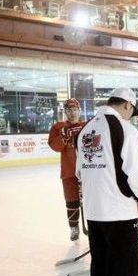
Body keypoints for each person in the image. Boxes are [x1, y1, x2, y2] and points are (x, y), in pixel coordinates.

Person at [75, 88, 138, 276]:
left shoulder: (86, 130)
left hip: (94, 211)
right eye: (132, 110)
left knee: (101, 266)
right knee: (123, 271)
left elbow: (79, 171)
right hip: (119, 211)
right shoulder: (126, 129)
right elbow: (135, 171)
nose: (132, 115)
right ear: (127, 105)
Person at [48, 98, 85, 241]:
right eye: (69, 110)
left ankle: (96, 225)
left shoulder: (87, 125)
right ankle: (74, 227)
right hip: (69, 172)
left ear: (79, 110)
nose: (72, 113)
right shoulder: (58, 127)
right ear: (65, 112)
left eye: (75, 110)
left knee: (94, 200)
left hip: (89, 171)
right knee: (71, 201)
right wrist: (63, 136)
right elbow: (55, 147)